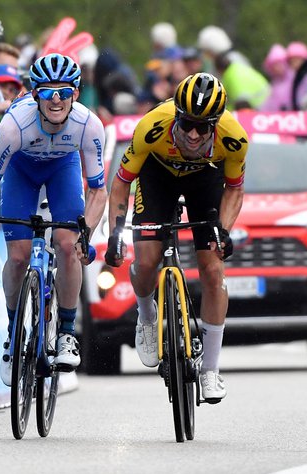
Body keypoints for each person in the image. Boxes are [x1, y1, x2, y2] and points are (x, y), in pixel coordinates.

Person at [104, 73, 248, 401]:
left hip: (206, 181)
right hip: (158, 177)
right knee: (147, 261)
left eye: (203, 127)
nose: (194, 134)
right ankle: (147, 316)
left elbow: (235, 190)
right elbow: (123, 181)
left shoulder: (234, 138)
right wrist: (116, 231)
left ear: (216, 124)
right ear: (177, 118)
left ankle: (210, 369)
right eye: (186, 125)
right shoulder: (152, 126)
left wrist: (222, 232)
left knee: (213, 270)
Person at [0, 53, 108, 386]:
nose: (57, 99)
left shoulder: (89, 125)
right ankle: (12, 333)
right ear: (35, 95)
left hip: (63, 168)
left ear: (76, 94)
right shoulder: (13, 126)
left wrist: (84, 235)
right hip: (21, 170)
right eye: (48, 92)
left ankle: (66, 331)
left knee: (66, 245)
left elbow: (98, 192)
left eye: (64, 91)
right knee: (17, 258)